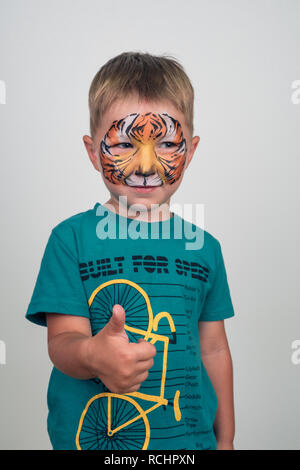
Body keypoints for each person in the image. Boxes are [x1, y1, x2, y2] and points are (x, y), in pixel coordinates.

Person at [25, 51, 236, 451]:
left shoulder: (206, 248)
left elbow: (214, 347)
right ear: (92, 152)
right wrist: (92, 355)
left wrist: (225, 437)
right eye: (123, 144)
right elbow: (62, 341)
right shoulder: (70, 239)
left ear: (189, 151)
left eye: (167, 144)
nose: (145, 165)